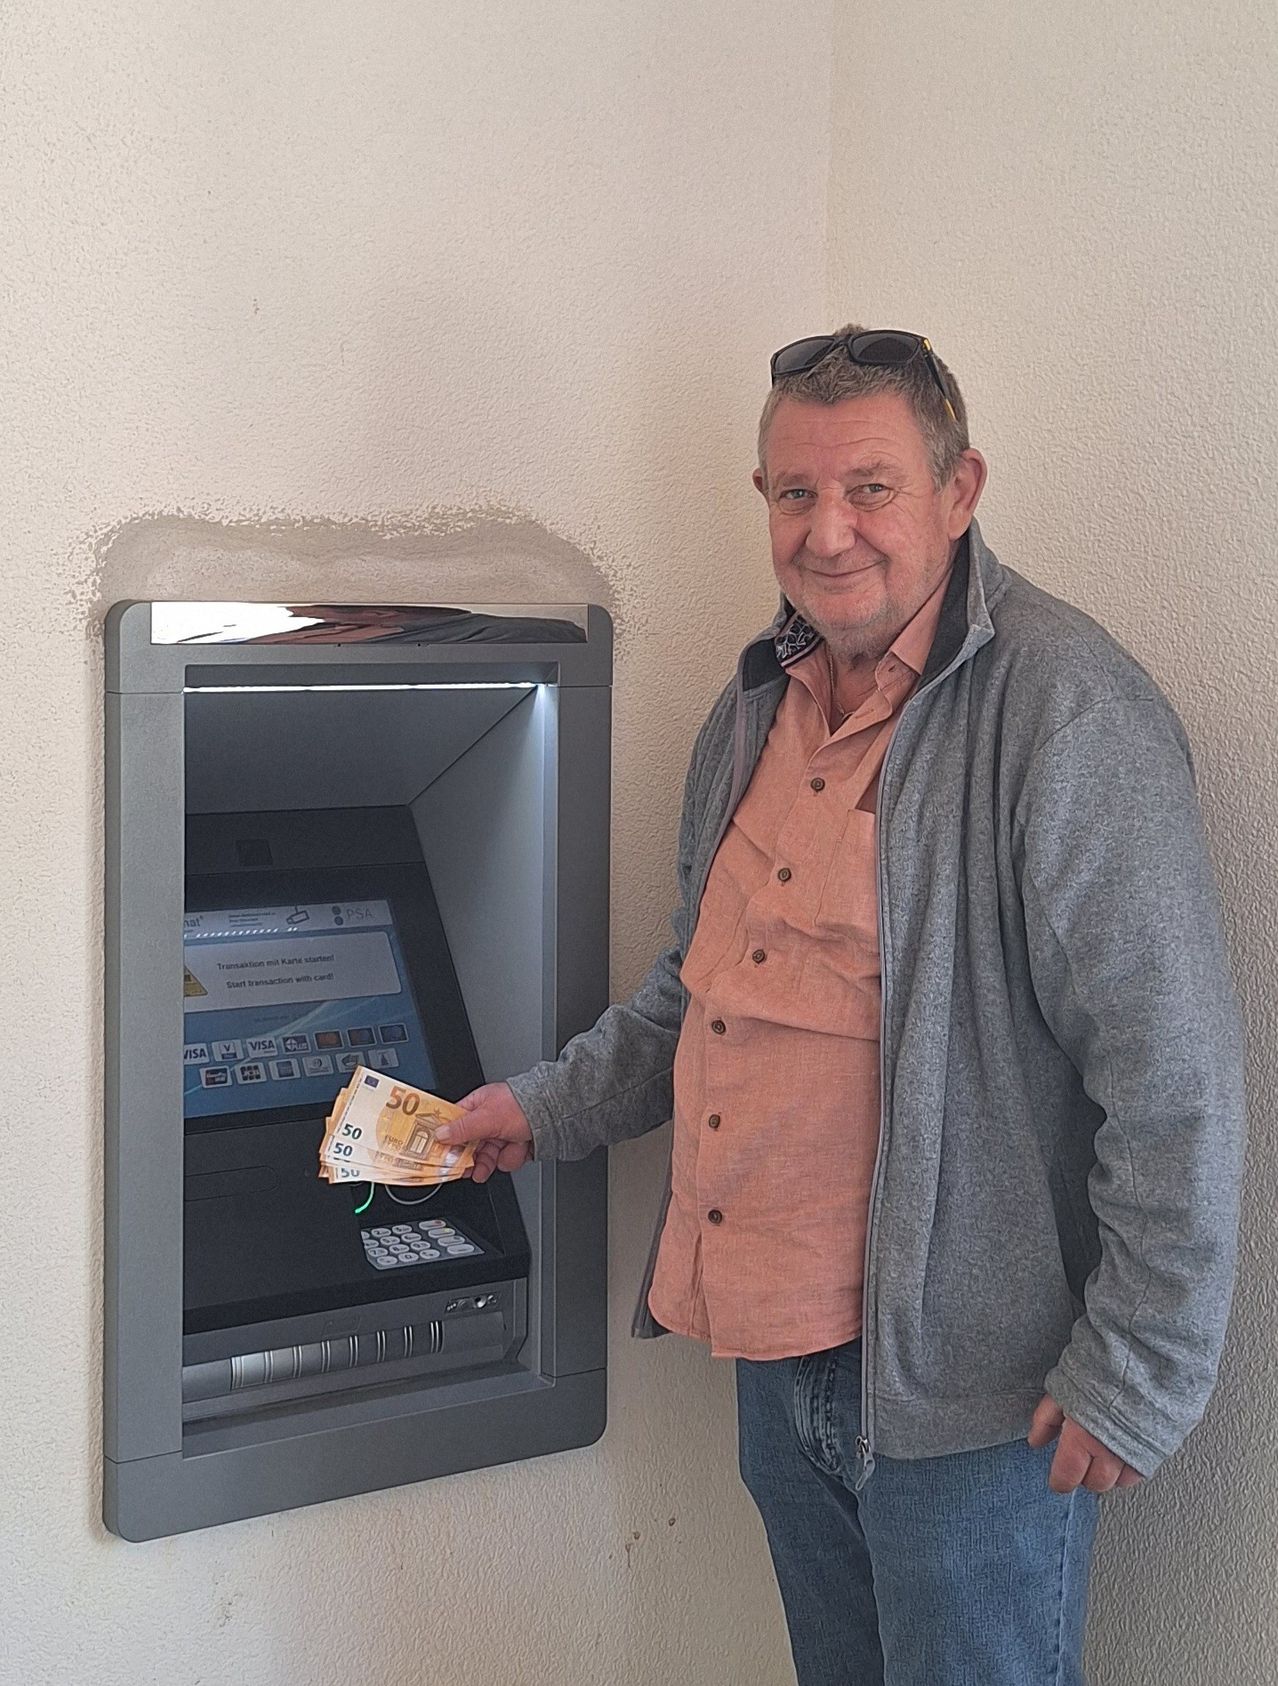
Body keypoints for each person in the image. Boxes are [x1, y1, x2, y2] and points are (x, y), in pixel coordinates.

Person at [435, 326, 1247, 1685]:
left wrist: (1136, 1371)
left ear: (958, 487)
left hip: (973, 1402)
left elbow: (1174, 1080)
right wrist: (540, 1104)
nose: (827, 533)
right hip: (777, 1357)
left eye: (868, 487)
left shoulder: (1063, 714)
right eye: (792, 493)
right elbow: (697, 995)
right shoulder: (756, 705)